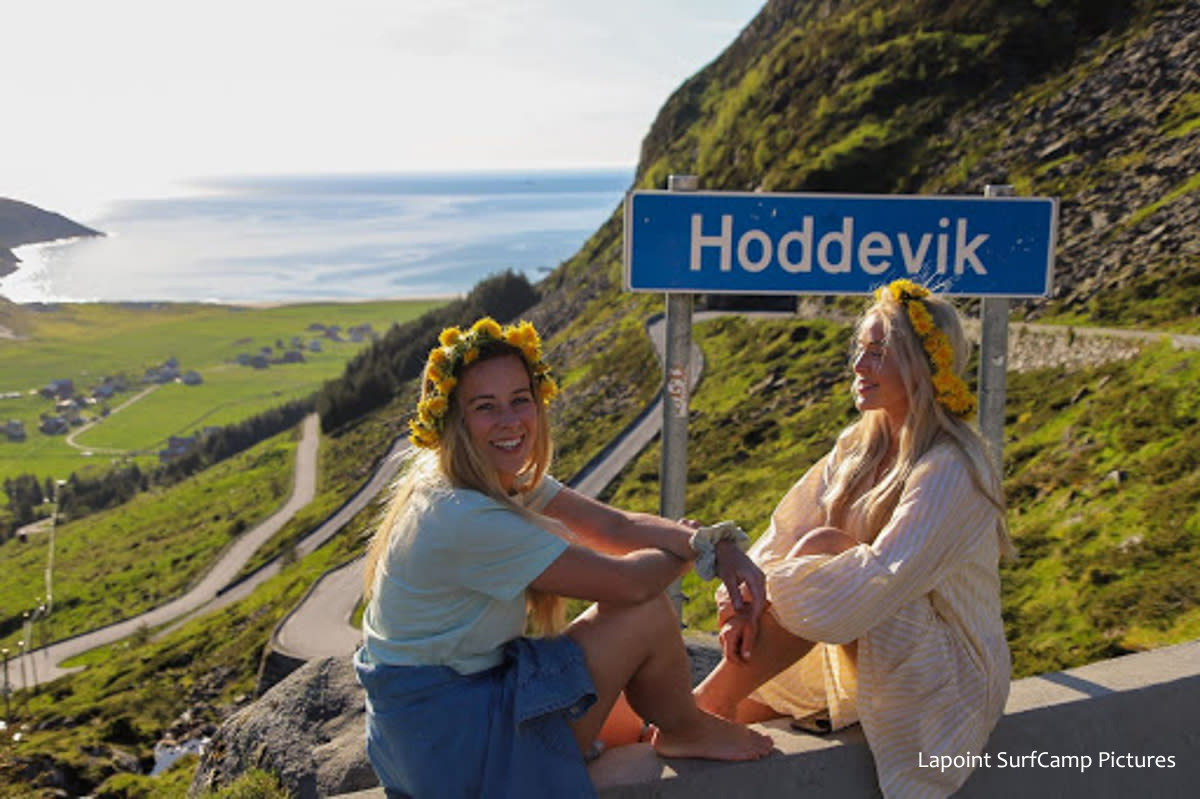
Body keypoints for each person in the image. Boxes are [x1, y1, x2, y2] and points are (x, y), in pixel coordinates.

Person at [355, 316, 774, 799]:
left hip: (423, 734)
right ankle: (685, 731)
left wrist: (716, 545)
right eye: (485, 406)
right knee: (644, 613)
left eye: (520, 399)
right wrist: (695, 551)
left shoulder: (474, 476)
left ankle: (664, 728)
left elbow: (616, 526)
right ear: (455, 420)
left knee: (622, 689)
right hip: (454, 750)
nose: (511, 421)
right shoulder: (463, 515)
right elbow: (630, 583)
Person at [693, 279, 1014, 799]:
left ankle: (700, 710)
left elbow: (876, 583)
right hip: (863, 645)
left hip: (948, 677)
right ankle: (700, 713)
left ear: (920, 368)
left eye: (878, 353)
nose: (859, 367)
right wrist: (746, 598)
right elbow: (784, 532)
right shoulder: (860, 446)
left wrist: (773, 589)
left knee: (827, 553)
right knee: (811, 564)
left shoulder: (951, 468)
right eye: (860, 351)